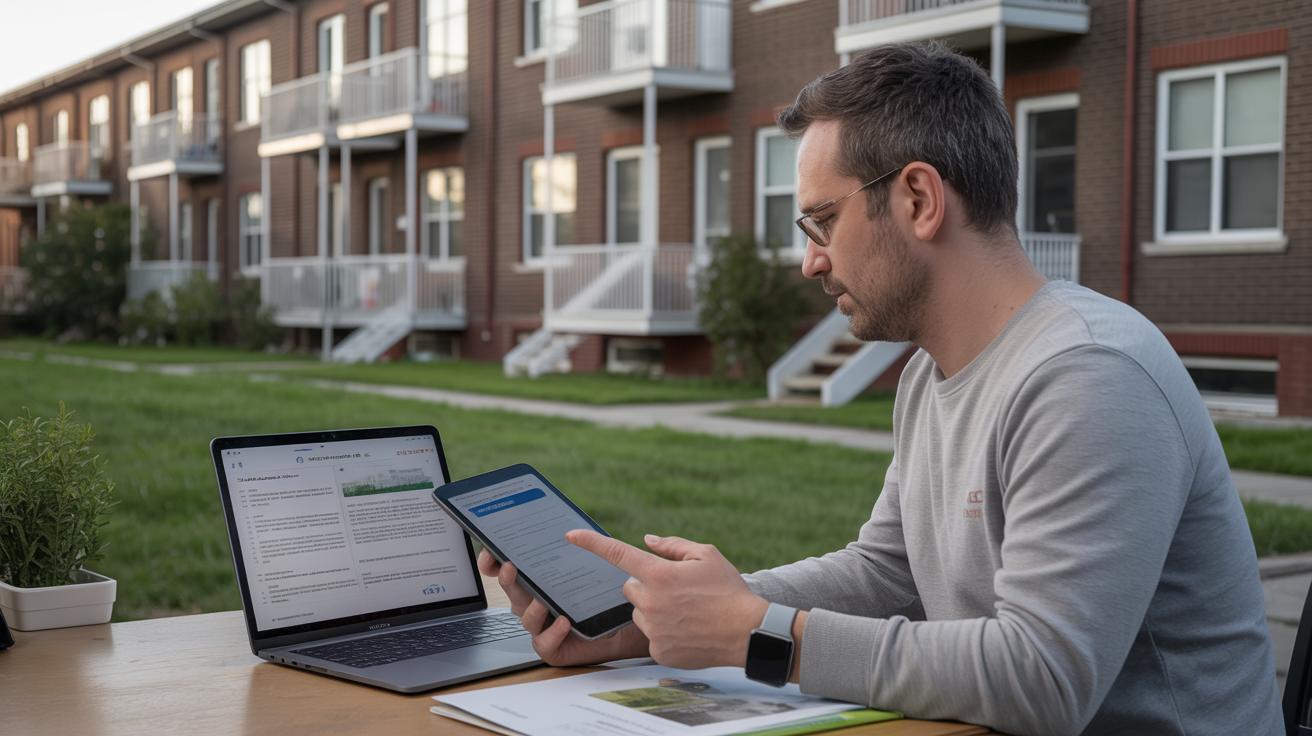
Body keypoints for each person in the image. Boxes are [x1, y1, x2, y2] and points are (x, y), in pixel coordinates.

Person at [479, 42, 1282, 735]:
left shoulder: (1090, 376)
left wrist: (759, 634)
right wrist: (659, 619)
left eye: (822, 222)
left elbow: (1045, 679)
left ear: (920, 200)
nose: (810, 261)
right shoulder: (933, 373)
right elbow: (889, 574)